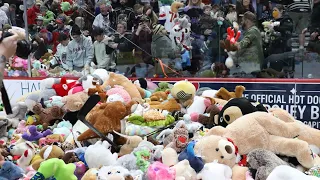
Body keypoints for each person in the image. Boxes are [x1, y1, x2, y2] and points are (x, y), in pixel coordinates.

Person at [232, 12, 264, 76]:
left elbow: (242, 44)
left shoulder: (252, 31)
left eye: (243, 20)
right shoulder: (255, 30)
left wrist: (232, 43)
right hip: (252, 65)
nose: (241, 22)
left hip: (251, 65)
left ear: (247, 21)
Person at [264, 4, 293, 72]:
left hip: (283, 49)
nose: (273, 12)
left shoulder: (287, 20)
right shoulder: (271, 20)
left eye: (275, 10)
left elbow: (287, 28)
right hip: (274, 49)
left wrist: (275, 27)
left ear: (281, 11)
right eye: (273, 10)